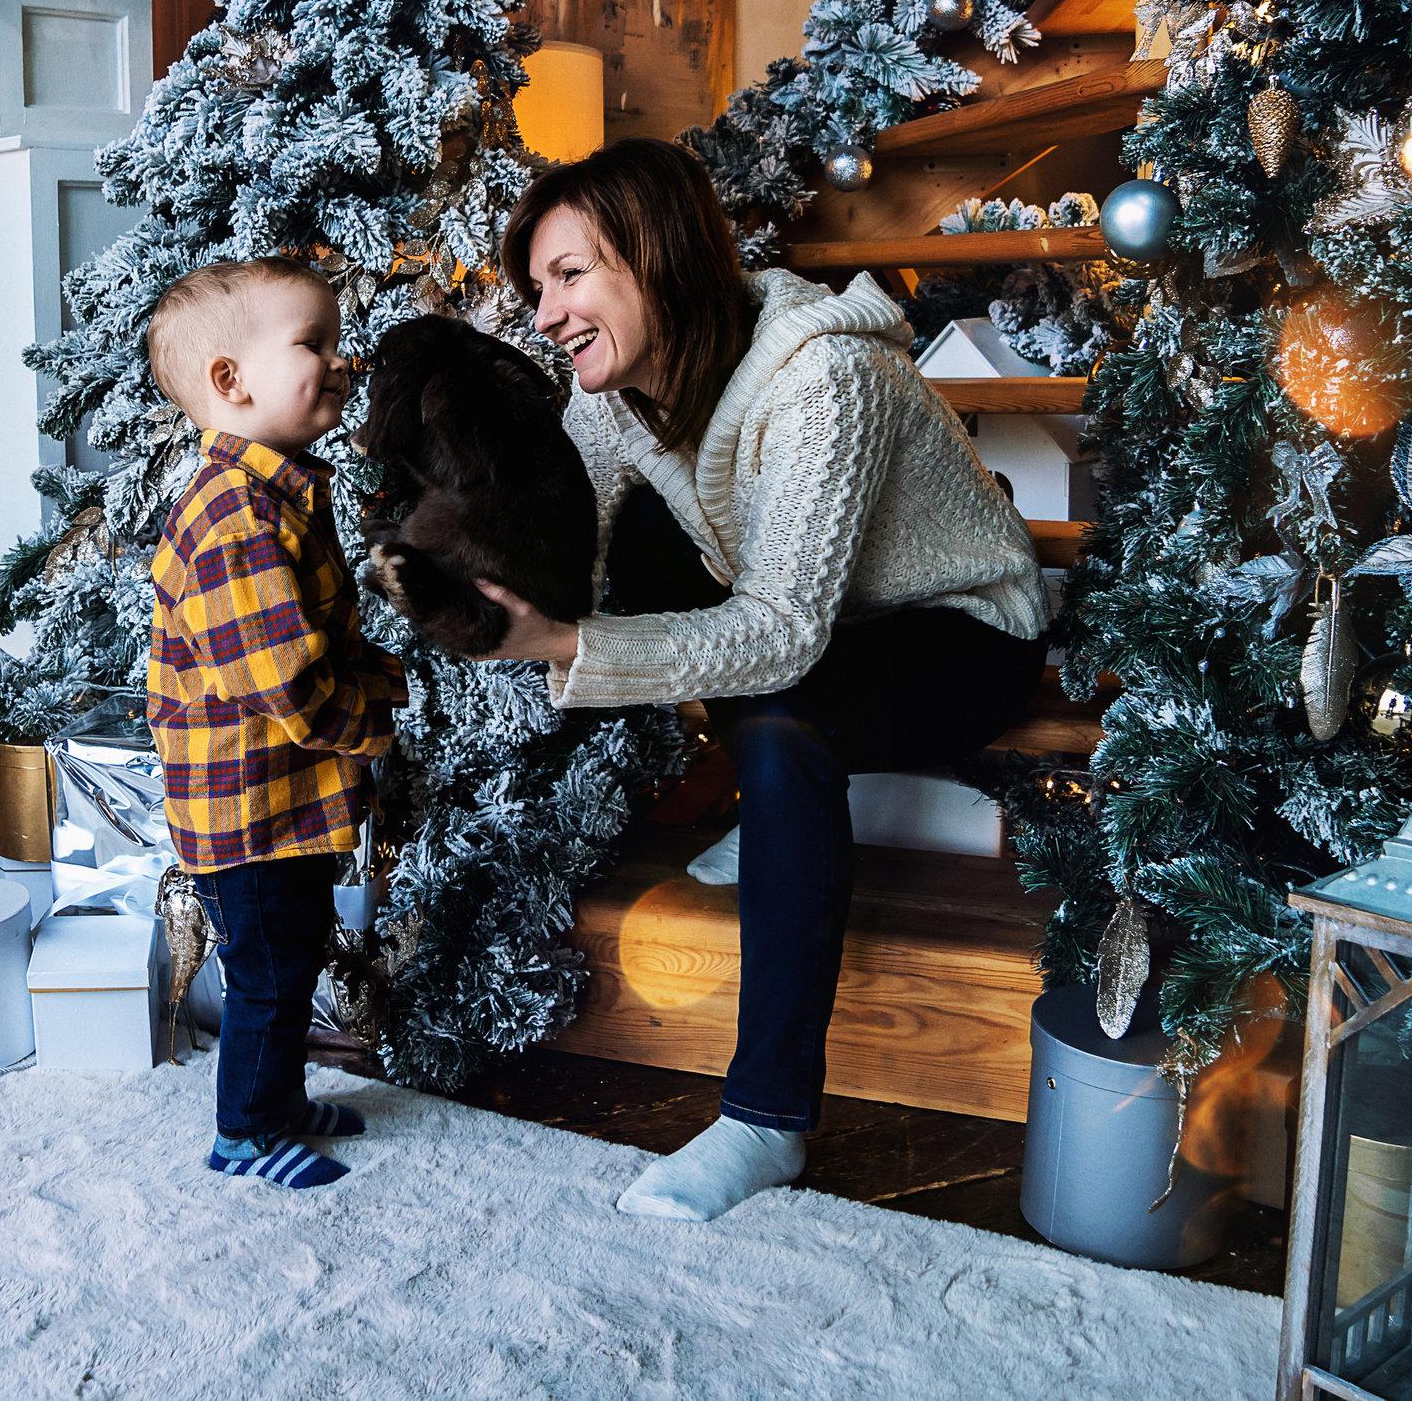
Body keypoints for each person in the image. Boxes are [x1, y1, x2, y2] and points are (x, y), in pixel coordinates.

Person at [475, 139, 1051, 1221]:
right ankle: (787, 811)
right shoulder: (610, 398)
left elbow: (782, 632)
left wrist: (564, 646)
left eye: (569, 276)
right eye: (536, 287)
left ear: (655, 259)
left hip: (959, 633)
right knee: (636, 552)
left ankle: (765, 1121)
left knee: (786, 724)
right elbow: (566, 555)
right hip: (810, 619)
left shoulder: (827, 373)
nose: (545, 314)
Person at [144, 256, 409, 1190]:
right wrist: (378, 706)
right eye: (313, 343)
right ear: (231, 379)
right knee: (267, 975)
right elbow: (292, 690)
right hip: (247, 815)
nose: (341, 361)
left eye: (337, 341)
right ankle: (244, 1135)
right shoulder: (236, 521)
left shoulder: (280, 493)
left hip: (278, 804)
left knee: (292, 959)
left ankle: (280, 1100)